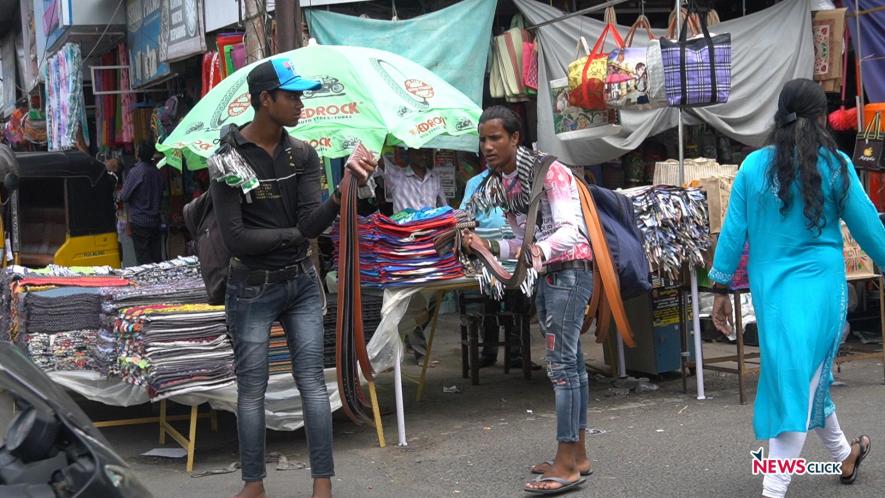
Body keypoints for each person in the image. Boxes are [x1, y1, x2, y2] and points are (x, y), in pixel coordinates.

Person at [209, 59, 375, 498]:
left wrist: (342, 194)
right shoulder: (226, 160)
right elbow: (236, 239)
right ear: (266, 100)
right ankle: (253, 484)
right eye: (293, 96)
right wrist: (296, 235)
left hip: (301, 281)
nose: (301, 104)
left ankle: (323, 484)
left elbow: (312, 221)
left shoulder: (303, 154)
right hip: (251, 286)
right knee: (252, 390)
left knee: (312, 384)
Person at [710, 79, 881, 498]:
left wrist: (718, 288)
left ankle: (774, 489)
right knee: (803, 379)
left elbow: (734, 234)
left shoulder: (752, 167)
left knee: (794, 380)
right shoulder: (837, 166)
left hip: (773, 295)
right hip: (822, 291)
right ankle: (846, 454)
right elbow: (872, 232)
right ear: (822, 118)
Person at [463, 106, 593, 494]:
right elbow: (521, 241)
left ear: (515, 138)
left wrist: (536, 253)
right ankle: (578, 454)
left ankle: (567, 463)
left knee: (562, 366)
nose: (487, 146)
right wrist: (487, 245)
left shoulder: (549, 171)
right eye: (483, 139)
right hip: (551, 274)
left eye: (495, 138)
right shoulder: (506, 183)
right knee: (573, 364)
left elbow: (572, 230)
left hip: (569, 272)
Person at [376, 148, 448, 363]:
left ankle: (408, 331)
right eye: (418, 153)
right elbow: (379, 163)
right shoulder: (397, 175)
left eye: (426, 154)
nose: (423, 157)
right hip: (405, 244)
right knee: (411, 294)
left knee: (436, 294)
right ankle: (420, 351)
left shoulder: (435, 178)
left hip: (430, 244)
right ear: (410, 155)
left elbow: (443, 207)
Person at [459, 168, 528, 369]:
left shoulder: (520, 180)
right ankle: (489, 352)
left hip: (515, 251)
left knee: (519, 299)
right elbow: (465, 217)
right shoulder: (475, 183)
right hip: (486, 252)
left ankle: (516, 352)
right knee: (490, 302)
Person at [119, 142, 163, 264]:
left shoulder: (136, 172)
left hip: (140, 222)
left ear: (138, 154)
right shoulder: (157, 172)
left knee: (144, 260)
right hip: (155, 221)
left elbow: (124, 195)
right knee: (156, 258)